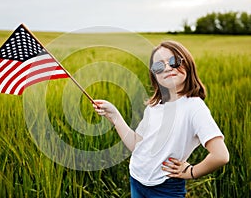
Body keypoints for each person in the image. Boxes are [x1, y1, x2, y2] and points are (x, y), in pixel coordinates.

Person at [93, 40, 229, 197]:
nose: (168, 68)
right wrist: (115, 116)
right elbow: (138, 145)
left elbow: (221, 155)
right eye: (158, 66)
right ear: (154, 75)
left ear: (188, 63)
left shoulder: (194, 107)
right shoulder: (155, 105)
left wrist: (192, 171)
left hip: (165, 187)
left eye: (174, 61)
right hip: (136, 177)